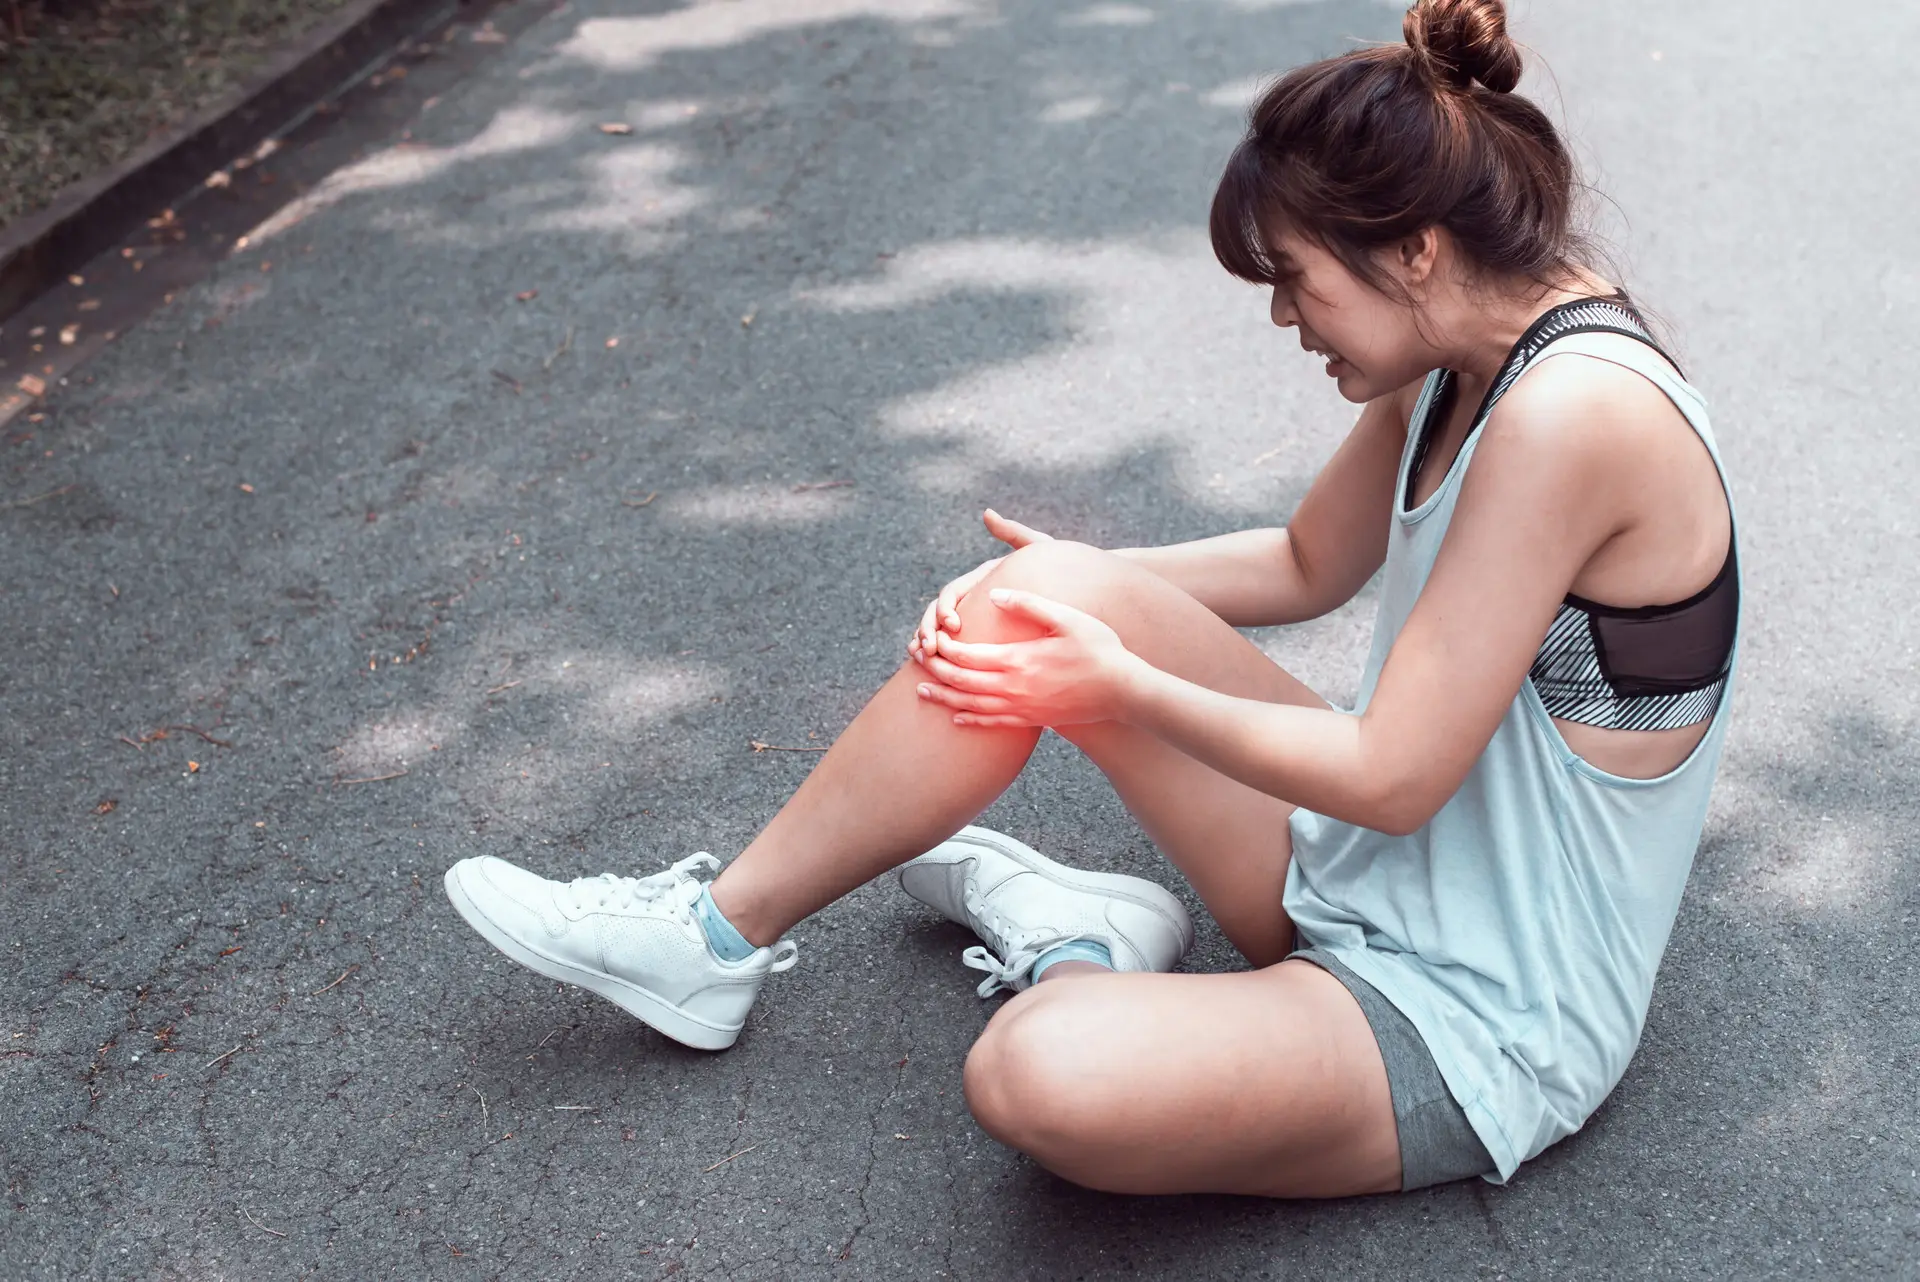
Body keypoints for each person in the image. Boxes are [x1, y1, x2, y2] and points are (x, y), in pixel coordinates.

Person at [442, 0, 1739, 1196]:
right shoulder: (1456, 350)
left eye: (1295, 276)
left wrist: (1111, 682)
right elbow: (1305, 565)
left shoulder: (1575, 415)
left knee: (1039, 1073)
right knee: (1035, 599)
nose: (1286, 316)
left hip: (1476, 1015)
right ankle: (711, 939)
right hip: (1367, 876)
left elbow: (1393, 770)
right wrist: (1050, 589)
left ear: (1413, 250)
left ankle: (1083, 946)